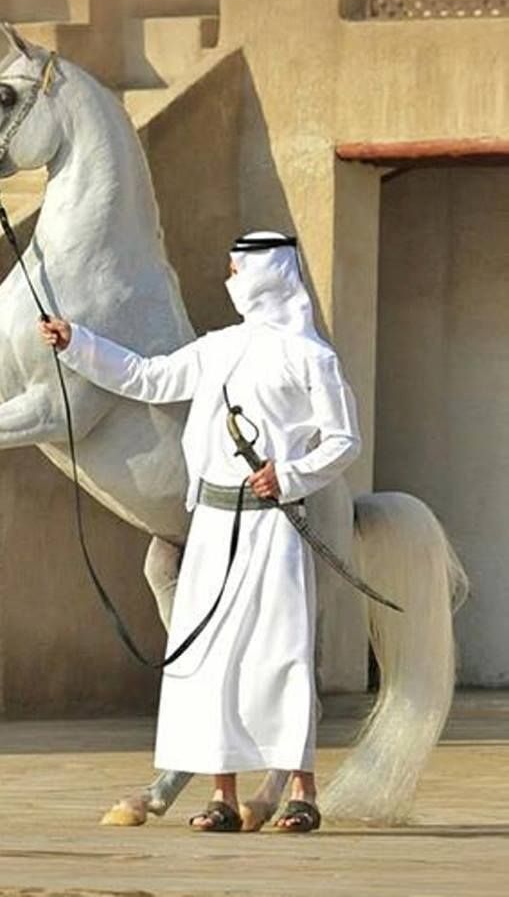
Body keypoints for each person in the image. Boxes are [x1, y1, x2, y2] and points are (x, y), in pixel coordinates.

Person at [39, 231, 361, 833]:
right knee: (212, 661)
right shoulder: (218, 348)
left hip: (271, 529)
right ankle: (220, 795)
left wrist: (288, 474)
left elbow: (344, 441)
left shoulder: (312, 357)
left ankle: (302, 793)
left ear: (267, 273)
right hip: (211, 524)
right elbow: (147, 377)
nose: (230, 277)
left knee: (279, 657)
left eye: (237, 267)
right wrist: (77, 343)